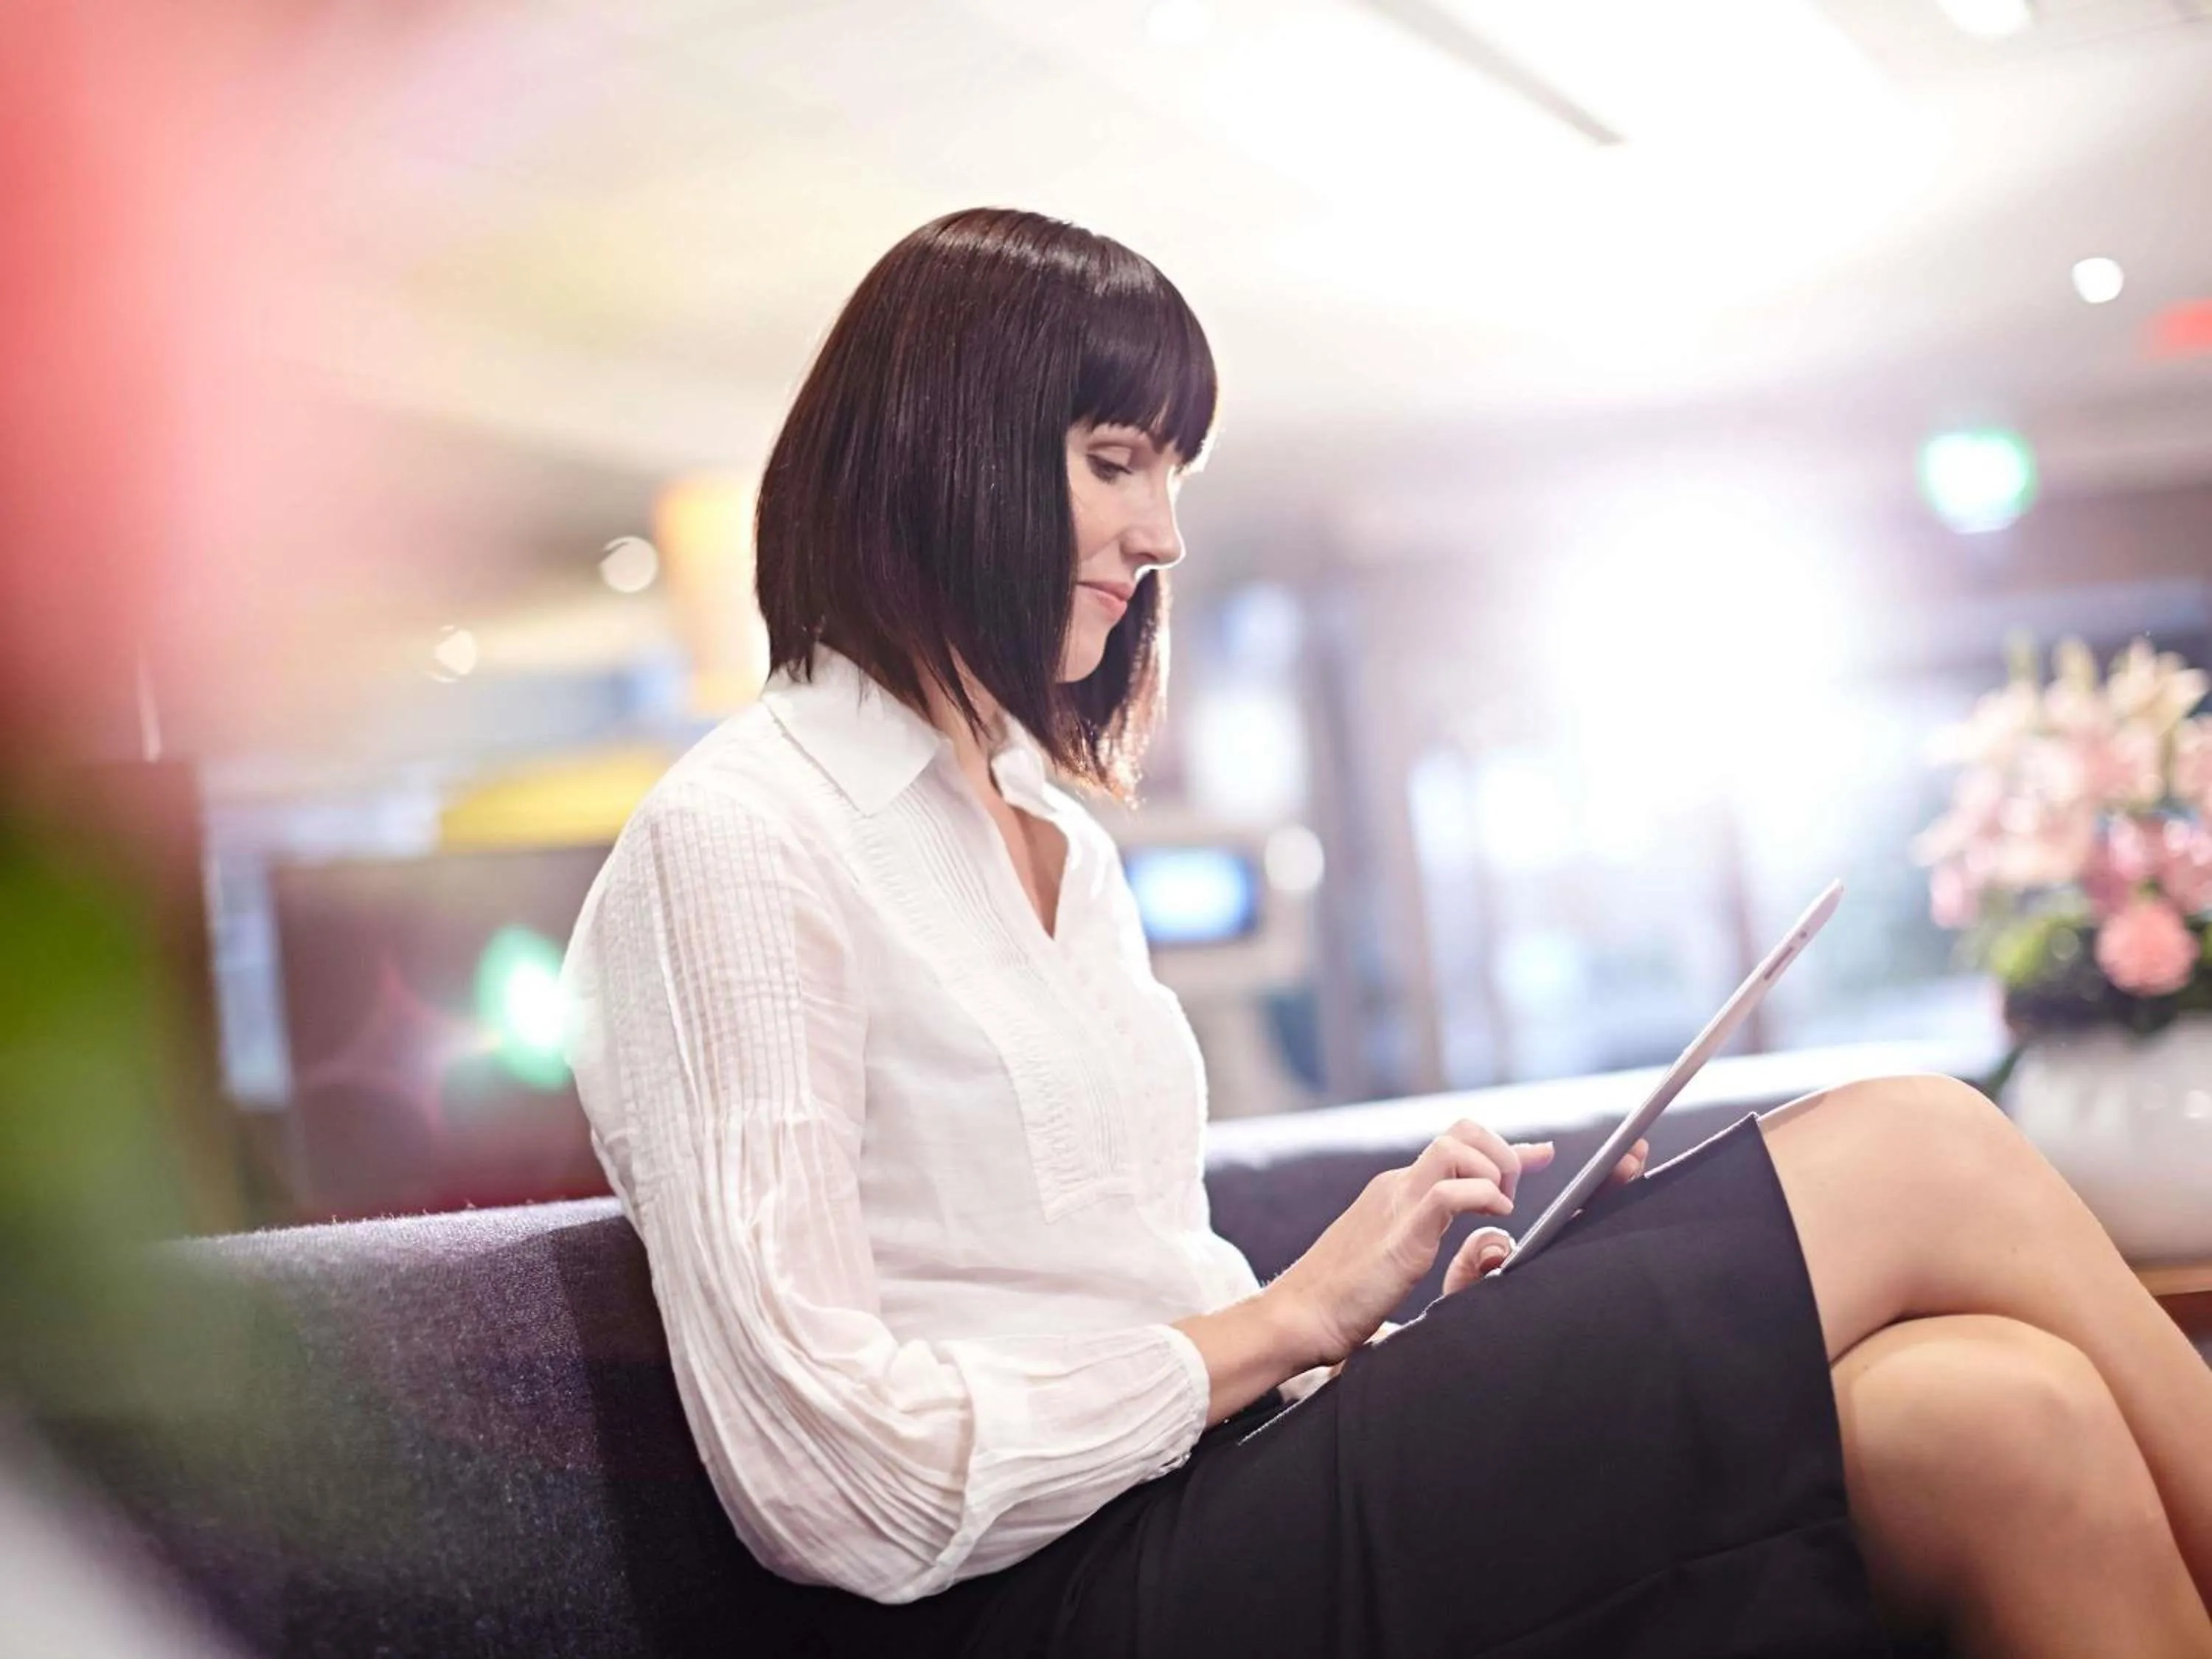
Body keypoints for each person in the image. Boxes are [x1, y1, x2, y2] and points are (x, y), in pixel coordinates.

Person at [558, 206, 2212, 1659]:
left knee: (2008, 1420)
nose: (1164, 537)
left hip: (1219, 1498)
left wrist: (1384, 1357)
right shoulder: (739, 839)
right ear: (945, 450)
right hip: (1043, 1605)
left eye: (1171, 475)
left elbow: (1120, 1289)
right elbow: (835, 1479)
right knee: (1922, 1144)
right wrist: (1292, 1321)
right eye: (1113, 460)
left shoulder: (1052, 834)